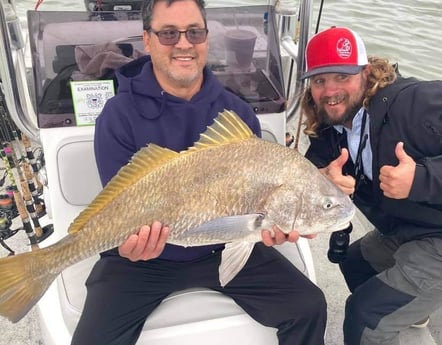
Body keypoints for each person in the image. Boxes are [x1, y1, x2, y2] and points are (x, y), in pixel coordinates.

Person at [71, 1, 327, 344]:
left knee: (309, 307)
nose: (183, 43)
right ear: (147, 40)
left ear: (206, 38)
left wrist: (275, 225)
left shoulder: (237, 113)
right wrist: (127, 247)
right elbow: (119, 205)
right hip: (143, 259)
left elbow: (254, 210)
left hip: (223, 244)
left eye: (194, 31)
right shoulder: (117, 115)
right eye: (168, 33)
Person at [300, 26, 442, 345]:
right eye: (320, 80)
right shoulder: (331, 123)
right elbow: (309, 168)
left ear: (366, 73)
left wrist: (423, 178)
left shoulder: (420, 101)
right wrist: (323, 179)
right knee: (353, 263)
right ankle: (413, 312)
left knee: (364, 319)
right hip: (410, 227)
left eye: (342, 76)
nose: (330, 90)